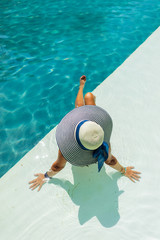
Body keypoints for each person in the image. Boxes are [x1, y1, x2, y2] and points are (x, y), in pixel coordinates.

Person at [29, 75, 141, 191]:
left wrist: (45, 176)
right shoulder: (101, 138)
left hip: (87, 128)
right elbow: (110, 160)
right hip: (92, 127)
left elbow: (58, 166)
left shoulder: (67, 148)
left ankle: (86, 94)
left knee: (82, 105)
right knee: (88, 99)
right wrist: (124, 170)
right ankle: (88, 96)